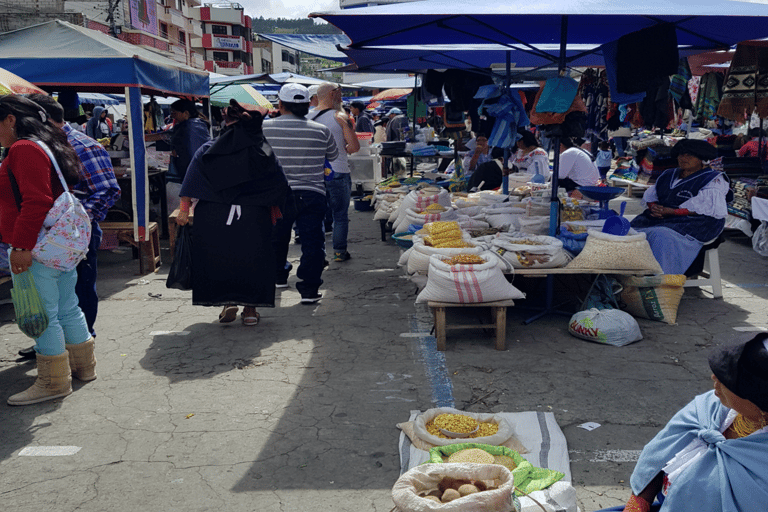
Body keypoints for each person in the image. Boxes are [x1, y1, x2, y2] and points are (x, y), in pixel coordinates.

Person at [598, 332, 768, 512]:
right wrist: (639, 502)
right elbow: (663, 451)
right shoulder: (709, 408)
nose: (714, 378)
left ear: (757, 400)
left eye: (728, 380)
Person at [0, 95, 95, 405]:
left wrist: (21, 246)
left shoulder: (23, 149)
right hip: (57, 245)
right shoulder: (46, 145)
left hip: (38, 246)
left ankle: (53, 382)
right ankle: (83, 367)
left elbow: (35, 200)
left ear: (10, 119)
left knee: (43, 314)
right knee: (68, 307)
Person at [176, 100, 289, 326]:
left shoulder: (208, 148)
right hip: (253, 217)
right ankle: (250, 311)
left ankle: (228, 302)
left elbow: (191, 180)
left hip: (214, 215)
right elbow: (279, 185)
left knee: (221, 259)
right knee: (254, 261)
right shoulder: (262, 150)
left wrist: (184, 209)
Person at [22, 94, 121, 349]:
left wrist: (73, 224)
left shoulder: (83, 146)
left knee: (79, 290)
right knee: (51, 297)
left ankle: (81, 344)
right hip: (44, 237)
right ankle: (51, 346)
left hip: (75, 235)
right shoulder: (38, 147)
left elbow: (107, 190)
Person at [263, 83, 339, 304]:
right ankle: (309, 289)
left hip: (277, 194)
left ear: (280, 104)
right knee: (313, 242)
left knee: (276, 238)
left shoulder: (264, 128)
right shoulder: (321, 130)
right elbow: (333, 156)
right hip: (312, 193)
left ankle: (278, 276)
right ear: (307, 105)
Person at [629, 139, 731, 275]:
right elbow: (651, 196)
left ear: (702, 158)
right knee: (630, 230)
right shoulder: (668, 174)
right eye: (681, 155)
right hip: (664, 218)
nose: (683, 158)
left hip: (696, 222)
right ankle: (634, 273)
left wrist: (672, 211)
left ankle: (661, 279)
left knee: (662, 235)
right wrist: (654, 208)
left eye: (689, 155)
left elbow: (706, 206)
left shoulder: (713, 178)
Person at [308, 83, 360, 263]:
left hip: (313, 174)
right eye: (340, 93)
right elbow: (354, 147)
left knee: (315, 216)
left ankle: (317, 255)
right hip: (338, 171)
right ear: (333, 94)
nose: (342, 96)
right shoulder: (340, 117)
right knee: (340, 216)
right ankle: (339, 253)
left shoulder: (306, 116)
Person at [164, 99, 211, 214]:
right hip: (193, 174)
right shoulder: (192, 125)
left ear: (185, 113)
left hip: (192, 175)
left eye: (174, 113)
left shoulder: (191, 127)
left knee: (189, 207)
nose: (172, 116)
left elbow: (193, 153)